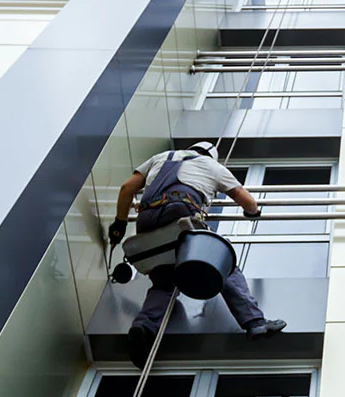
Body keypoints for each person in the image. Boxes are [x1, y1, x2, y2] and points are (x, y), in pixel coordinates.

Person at [108, 141, 285, 367]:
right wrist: (253, 212)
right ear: (211, 156)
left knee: (164, 282)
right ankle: (255, 322)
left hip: (147, 221)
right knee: (222, 263)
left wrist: (120, 223)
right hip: (180, 214)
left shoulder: (161, 157)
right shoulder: (212, 166)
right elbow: (246, 200)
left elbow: (126, 189)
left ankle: (143, 327)